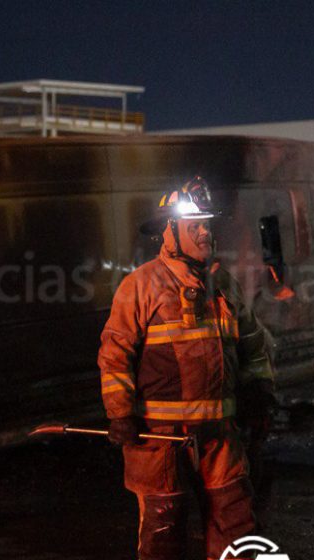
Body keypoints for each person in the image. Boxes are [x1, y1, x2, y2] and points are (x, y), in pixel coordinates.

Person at [98, 177, 277, 560]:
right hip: (161, 441)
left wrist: (261, 392)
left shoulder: (222, 284)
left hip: (220, 438)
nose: (204, 233)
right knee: (164, 536)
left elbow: (253, 347)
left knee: (238, 532)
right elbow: (115, 354)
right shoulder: (140, 286)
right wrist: (120, 414)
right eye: (194, 226)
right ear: (170, 232)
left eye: (207, 225)